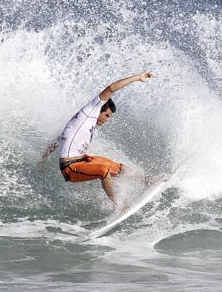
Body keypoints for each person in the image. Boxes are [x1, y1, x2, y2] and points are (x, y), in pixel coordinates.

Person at [39, 72, 153, 210]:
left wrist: (44, 156)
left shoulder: (82, 124)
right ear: (99, 110)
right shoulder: (90, 111)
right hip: (70, 168)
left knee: (118, 168)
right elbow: (111, 89)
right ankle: (118, 205)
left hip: (82, 160)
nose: (107, 119)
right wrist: (138, 78)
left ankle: (147, 181)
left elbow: (60, 138)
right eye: (106, 115)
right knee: (103, 170)